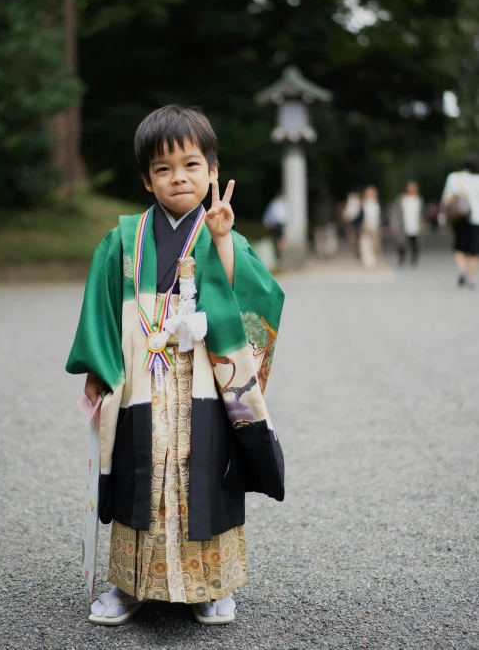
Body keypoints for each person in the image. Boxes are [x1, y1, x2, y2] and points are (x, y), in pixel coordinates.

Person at [66, 105, 285, 626]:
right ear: (146, 179)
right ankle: (129, 584)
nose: (178, 177)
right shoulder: (123, 239)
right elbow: (99, 308)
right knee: (136, 474)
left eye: (191, 165)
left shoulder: (219, 230)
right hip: (140, 376)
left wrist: (226, 239)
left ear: (213, 170)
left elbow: (255, 302)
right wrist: (100, 368)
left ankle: (212, 586)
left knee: (205, 473)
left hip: (205, 380)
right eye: (163, 168)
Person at [441, 153, 479, 288]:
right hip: (476, 219)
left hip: (460, 218)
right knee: (474, 251)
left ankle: (462, 270)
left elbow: (446, 198)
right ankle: (470, 278)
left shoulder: (454, 177)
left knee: (459, 247)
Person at [389, 181, 424, 266]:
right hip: (403, 225)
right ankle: (402, 258)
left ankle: (414, 260)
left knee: (415, 244)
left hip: (415, 225)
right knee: (401, 243)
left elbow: (421, 213)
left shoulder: (419, 199)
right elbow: (395, 212)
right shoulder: (401, 199)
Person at [310, 181, 338, 258]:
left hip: (322, 222)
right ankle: (325, 253)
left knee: (323, 239)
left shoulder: (315, 201)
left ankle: (324, 253)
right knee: (326, 239)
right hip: (325, 222)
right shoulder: (330, 200)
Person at [359, 186, 381, 268]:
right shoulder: (362, 204)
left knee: (374, 245)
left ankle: (373, 260)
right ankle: (367, 261)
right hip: (364, 227)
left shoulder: (377, 204)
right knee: (365, 245)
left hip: (375, 227)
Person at [262, 191, 288, 260]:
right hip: (277, 224)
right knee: (279, 239)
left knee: (279, 239)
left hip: (279, 224)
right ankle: (279, 254)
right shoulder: (277, 204)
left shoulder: (277, 203)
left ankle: (280, 253)